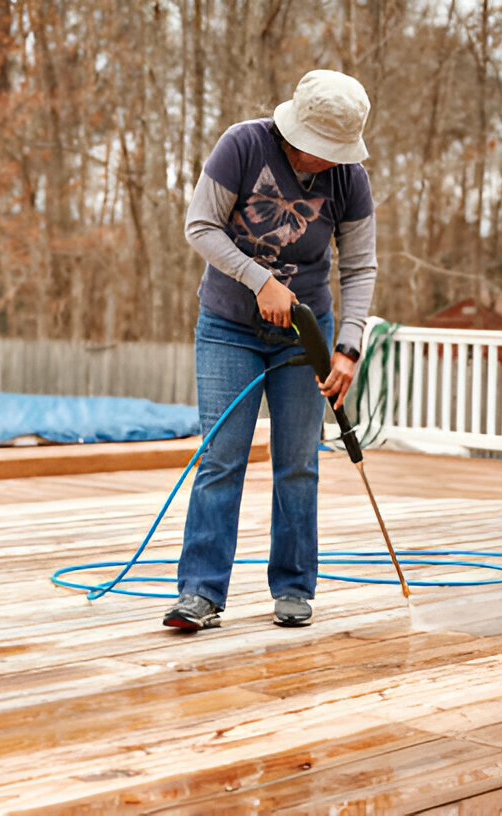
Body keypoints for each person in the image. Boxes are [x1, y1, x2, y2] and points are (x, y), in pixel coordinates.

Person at [163, 69, 377, 631]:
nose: (326, 162)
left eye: (337, 153)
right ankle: (201, 594)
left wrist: (348, 347)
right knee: (221, 456)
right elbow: (201, 226)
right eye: (319, 150)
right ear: (294, 133)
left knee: (299, 463)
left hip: (304, 334)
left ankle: (293, 587)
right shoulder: (244, 145)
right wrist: (260, 280)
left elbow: (359, 267)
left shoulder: (349, 180)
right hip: (229, 326)